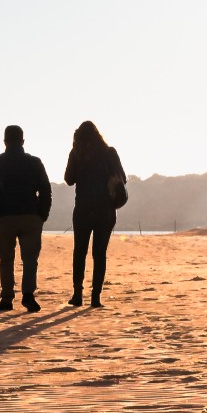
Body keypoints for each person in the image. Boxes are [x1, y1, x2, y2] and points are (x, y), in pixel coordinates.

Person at [0, 124, 51, 312]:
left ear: (5, 142)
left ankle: (6, 297)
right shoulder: (35, 162)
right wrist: (43, 214)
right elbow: (45, 189)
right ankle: (28, 295)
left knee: (6, 259)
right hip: (30, 215)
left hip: (4, 215)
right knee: (30, 259)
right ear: (22, 141)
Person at [62, 119, 126, 307]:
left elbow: (68, 179)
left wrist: (77, 157)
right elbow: (122, 177)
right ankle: (96, 297)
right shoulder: (110, 153)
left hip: (83, 209)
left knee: (79, 252)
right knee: (100, 254)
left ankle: (77, 295)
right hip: (105, 210)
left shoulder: (77, 153)